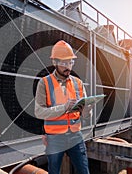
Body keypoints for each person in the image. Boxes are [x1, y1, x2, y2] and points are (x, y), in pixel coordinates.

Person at [35, 40, 92, 174]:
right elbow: (39, 112)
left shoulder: (78, 83)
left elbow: (86, 116)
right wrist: (64, 107)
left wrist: (87, 110)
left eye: (71, 62)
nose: (68, 67)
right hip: (54, 137)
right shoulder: (44, 83)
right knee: (54, 171)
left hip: (75, 135)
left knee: (84, 171)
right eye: (64, 63)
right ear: (55, 62)